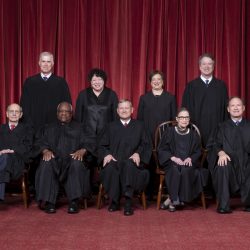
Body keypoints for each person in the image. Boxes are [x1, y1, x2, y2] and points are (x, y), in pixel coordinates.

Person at [34, 102, 91, 214]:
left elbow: (90, 142)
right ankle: (49, 201)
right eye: (61, 111)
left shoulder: (80, 127)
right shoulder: (48, 127)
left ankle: (74, 201)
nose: (63, 114)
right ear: (57, 113)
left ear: (71, 113)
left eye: (67, 111)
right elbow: (39, 142)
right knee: (46, 162)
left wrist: (83, 150)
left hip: (72, 158)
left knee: (77, 163)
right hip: (54, 159)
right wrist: (45, 150)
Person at [98, 99, 151, 216]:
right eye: (121, 108)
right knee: (110, 168)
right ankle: (115, 201)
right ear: (117, 111)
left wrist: (138, 153)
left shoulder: (140, 126)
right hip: (114, 161)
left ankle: (128, 201)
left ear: (132, 110)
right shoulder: (110, 126)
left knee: (128, 166)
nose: (124, 110)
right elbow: (102, 145)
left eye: (127, 108)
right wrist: (107, 154)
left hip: (132, 163)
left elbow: (146, 145)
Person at [158, 108, 207, 212]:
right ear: (177, 119)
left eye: (186, 117)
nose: (184, 120)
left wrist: (190, 158)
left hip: (188, 163)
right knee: (175, 170)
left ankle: (170, 200)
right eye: (182, 117)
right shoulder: (169, 131)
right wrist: (173, 158)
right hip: (172, 161)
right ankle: (174, 200)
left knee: (185, 170)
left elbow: (198, 151)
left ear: (189, 119)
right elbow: (162, 149)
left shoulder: (194, 135)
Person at [137, 70, 177, 200]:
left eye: (159, 79)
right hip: (148, 136)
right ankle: (148, 192)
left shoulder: (170, 98)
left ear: (163, 82)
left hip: (165, 138)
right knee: (148, 163)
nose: (156, 81)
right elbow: (139, 120)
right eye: (153, 79)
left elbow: (173, 120)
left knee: (166, 162)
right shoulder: (144, 98)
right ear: (150, 82)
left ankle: (168, 192)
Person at [207, 97, 250, 214]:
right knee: (222, 165)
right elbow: (214, 144)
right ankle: (223, 206)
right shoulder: (221, 127)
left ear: (244, 108)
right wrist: (221, 153)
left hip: (246, 163)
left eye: (238, 105)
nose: (236, 108)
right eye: (232, 106)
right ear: (228, 109)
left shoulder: (249, 126)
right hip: (229, 163)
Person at [182, 53, 228, 147]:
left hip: (216, 130)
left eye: (209, 64)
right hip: (196, 129)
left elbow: (225, 110)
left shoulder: (221, 86)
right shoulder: (191, 86)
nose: (207, 66)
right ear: (199, 66)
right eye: (204, 64)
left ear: (213, 66)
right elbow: (185, 110)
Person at [20, 51, 72, 132]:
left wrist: (62, 123)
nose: (46, 64)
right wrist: (28, 123)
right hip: (34, 127)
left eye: (48, 61)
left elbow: (67, 104)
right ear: (39, 63)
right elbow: (24, 105)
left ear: (53, 63)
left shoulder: (61, 82)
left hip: (55, 127)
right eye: (43, 61)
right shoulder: (30, 82)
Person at [75, 68, 118, 155]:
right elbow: (78, 117)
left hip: (106, 137)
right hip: (86, 137)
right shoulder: (83, 94)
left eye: (100, 79)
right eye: (94, 80)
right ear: (90, 81)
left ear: (104, 81)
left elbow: (116, 117)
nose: (97, 82)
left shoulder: (111, 94)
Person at [0, 104, 33, 202]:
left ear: (21, 114)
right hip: (2, 161)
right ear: (6, 114)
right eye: (11, 111)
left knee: (5, 157)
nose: (14, 114)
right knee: (4, 159)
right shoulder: (0, 129)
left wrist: (9, 150)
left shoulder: (28, 130)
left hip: (18, 162)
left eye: (17, 111)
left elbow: (28, 147)